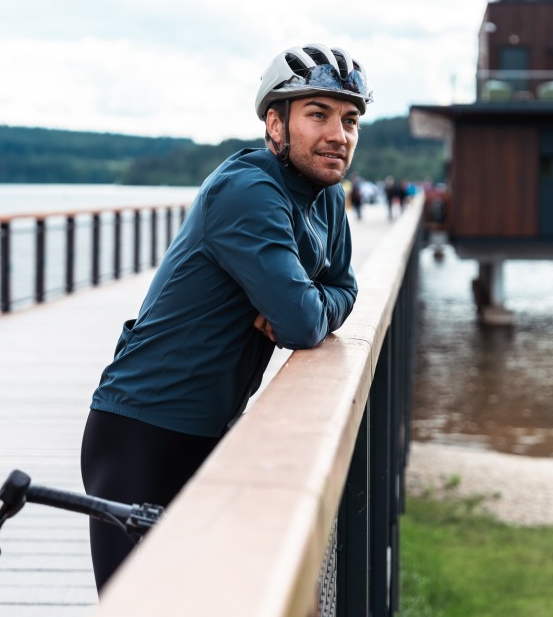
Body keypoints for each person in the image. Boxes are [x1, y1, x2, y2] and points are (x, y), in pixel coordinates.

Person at [79, 43, 370, 593]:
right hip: (141, 432)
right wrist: (305, 305)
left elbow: (343, 289)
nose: (339, 135)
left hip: (213, 431)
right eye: (318, 115)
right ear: (275, 124)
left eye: (350, 120)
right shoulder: (247, 190)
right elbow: (302, 322)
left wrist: (311, 302)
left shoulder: (326, 195)